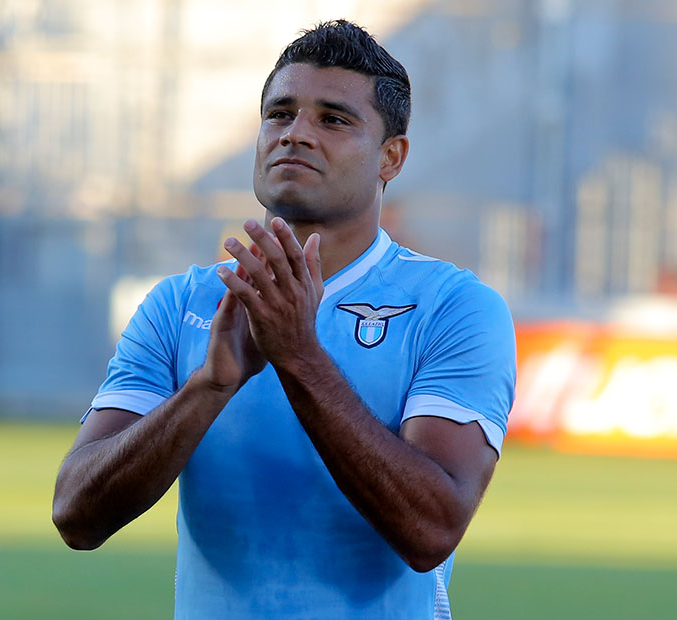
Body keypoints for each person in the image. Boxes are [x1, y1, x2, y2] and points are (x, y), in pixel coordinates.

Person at [53, 20, 515, 620]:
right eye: (280, 114)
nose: (296, 133)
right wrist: (208, 387)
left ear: (391, 157)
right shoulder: (180, 304)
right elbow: (76, 516)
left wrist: (299, 357)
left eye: (334, 119)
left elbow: (431, 530)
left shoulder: (454, 307)